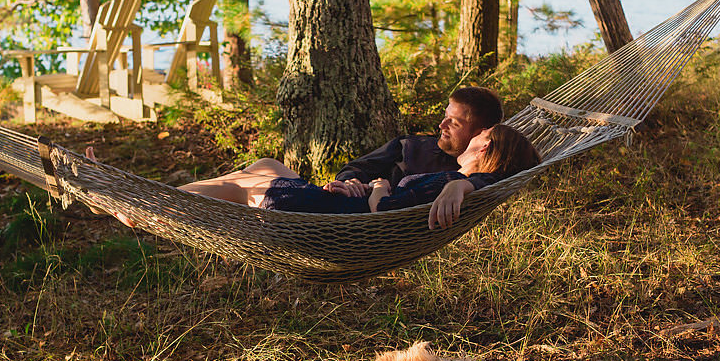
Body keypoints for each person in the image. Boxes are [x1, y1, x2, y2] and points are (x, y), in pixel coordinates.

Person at [175, 124, 539, 229]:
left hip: (341, 222)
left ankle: (161, 203)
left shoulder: (454, 183)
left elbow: (383, 211)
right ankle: (161, 198)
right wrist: (362, 185)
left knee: (245, 184)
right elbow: (482, 184)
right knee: (268, 164)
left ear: (486, 147)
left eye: (479, 133)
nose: (470, 136)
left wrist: (379, 185)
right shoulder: (454, 179)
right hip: (347, 207)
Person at [323, 86, 503, 198]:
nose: (441, 125)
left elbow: (499, 180)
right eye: (445, 116)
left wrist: (462, 184)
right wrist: (350, 182)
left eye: (454, 123)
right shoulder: (410, 145)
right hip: (346, 212)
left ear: (479, 134)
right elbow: (356, 168)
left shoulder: (481, 169)